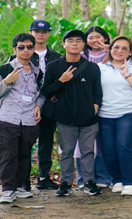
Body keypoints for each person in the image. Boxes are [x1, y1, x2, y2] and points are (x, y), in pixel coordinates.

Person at [41, 30, 103, 196]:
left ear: (83, 44)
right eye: (70, 40)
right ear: (64, 44)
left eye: (78, 40)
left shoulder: (92, 67)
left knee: (88, 152)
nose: (74, 43)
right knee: (66, 152)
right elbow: (46, 91)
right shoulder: (54, 66)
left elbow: (97, 91)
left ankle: (89, 182)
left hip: (89, 119)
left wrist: (95, 107)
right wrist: (61, 81)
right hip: (65, 118)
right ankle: (66, 182)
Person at [0, 33, 44, 204]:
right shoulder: (3, 69)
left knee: (24, 155)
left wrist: (39, 105)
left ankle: (20, 187)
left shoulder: (37, 72)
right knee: (8, 155)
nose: (25, 50)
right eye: (21, 47)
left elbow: (41, 94)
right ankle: (8, 190)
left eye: (29, 47)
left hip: (29, 119)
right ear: (14, 49)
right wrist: (6, 81)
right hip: (7, 118)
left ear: (34, 49)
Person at [8, 20, 62, 191]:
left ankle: (44, 177)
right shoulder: (18, 56)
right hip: (24, 106)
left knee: (46, 142)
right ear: (31, 33)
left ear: (48, 34)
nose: (41, 34)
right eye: (37, 31)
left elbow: (61, 81)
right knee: (25, 143)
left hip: (49, 105)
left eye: (45, 31)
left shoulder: (57, 57)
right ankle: (23, 180)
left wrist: (55, 97)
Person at [98, 36, 132, 196]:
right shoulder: (100, 67)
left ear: (130, 52)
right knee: (108, 149)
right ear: (110, 49)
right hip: (104, 113)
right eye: (116, 47)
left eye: (124, 48)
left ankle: (129, 182)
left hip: (128, 113)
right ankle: (117, 180)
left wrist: (127, 75)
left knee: (123, 145)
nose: (119, 51)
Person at [74, 26, 113, 189]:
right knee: (81, 142)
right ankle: (83, 178)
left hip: (108, 102)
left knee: (103, 140)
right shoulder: (80, 56)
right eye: (90, 37)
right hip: (83, 103)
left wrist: (110, 51)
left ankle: (104, 177)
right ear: (85, 41)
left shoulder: (113, 54)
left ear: (105, 38)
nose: (95, 40)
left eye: (99, 37)